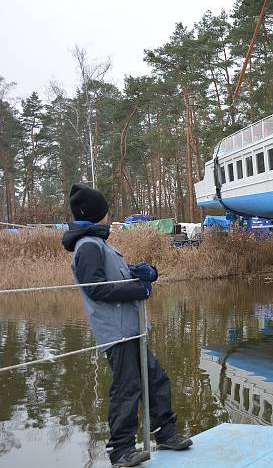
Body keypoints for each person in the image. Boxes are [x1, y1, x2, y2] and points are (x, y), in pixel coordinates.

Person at [61, 184, 192, 467]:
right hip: (115, 332)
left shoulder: (101, 244)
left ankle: (165, 432)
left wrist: (142, 273)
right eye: (105, 211)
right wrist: (138, 289)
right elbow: (96, 289)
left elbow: (116, 277)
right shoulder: (88, 247)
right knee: (127, 387)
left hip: (130, 329)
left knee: (154, 378)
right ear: (97, 213)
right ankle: (120, 450)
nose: (108, 215)